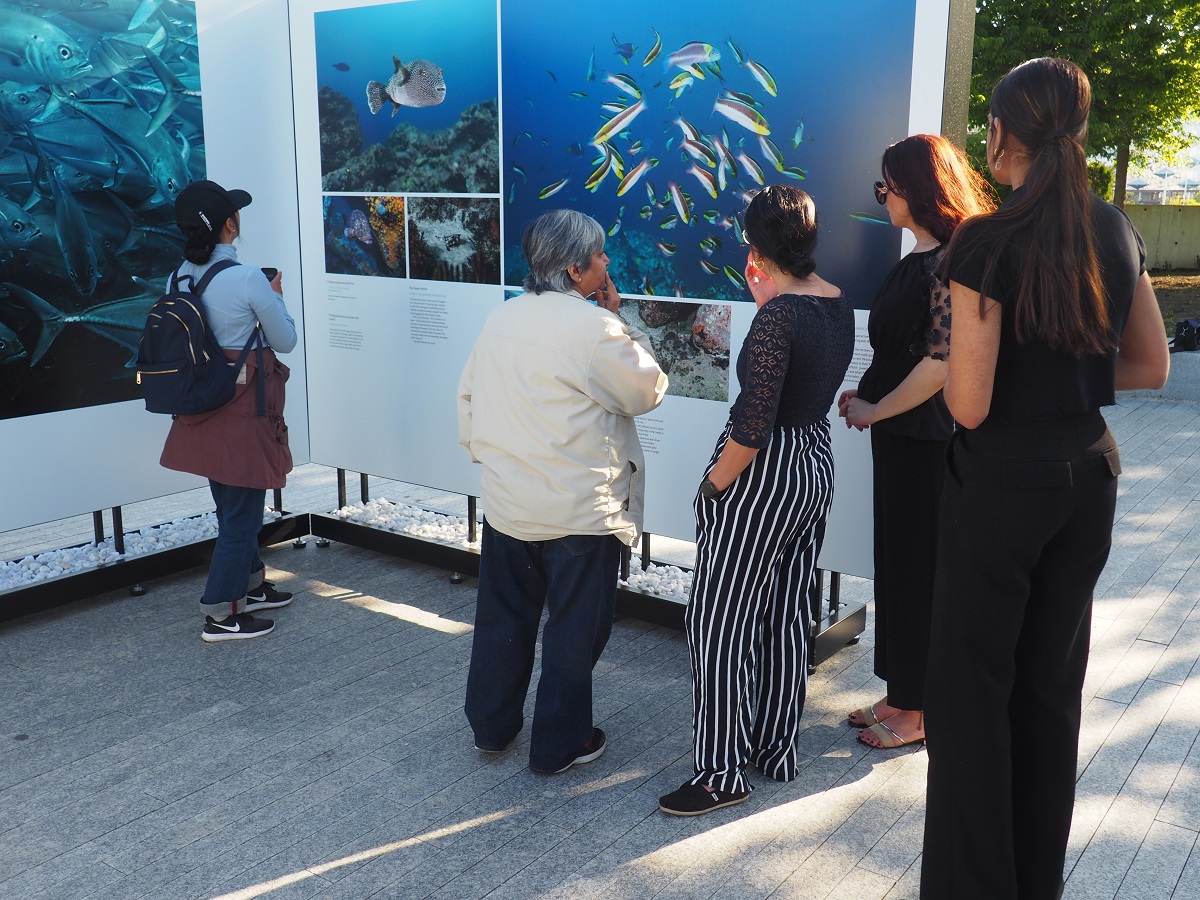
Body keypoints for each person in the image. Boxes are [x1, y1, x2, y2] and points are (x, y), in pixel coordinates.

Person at [920, 59, 1170, 899]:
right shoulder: (1115, 228)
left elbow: (971, 405)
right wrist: (1072, 380)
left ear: (1000, 134)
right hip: (1088, 473)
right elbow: (1151, 367)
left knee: (968, 696)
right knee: (1049, 692)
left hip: (1000, 486)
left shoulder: (983, 241)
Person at [659, 185, 854, 816]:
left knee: (719, 620)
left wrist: (713, 483)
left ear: (756, 247)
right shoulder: (835, 303)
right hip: (813, 463)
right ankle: (775, 748)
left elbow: (752, 426)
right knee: (788, 611)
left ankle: (720, 772)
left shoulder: (779, 316)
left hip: (763, 474)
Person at [457, 209, 668, 775]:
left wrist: (495, 462)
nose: (606, 263)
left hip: (508, 506)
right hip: (579, 512)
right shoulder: (595, 330)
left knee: (504, 622)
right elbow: (645, 391)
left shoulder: (501, 319)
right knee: (574, 631)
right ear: (576, 270)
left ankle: (491, 729)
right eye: (599, 256)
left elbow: (469, 401)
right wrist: (625, 326)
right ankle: (560, 743)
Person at [837, 135, 994, 749]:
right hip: (900, 433)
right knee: (897, 564)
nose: (882, 198)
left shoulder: (950, 260)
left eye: (888, 187)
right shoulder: (922, 257)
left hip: (924, 438)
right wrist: (869, 402)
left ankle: (920, 710)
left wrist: (876, 409)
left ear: (918, 190)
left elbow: (939, 366)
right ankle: (903, 691)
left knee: (917, 567)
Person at [159, 180, 298, 643]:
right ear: (229, 225)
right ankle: (222, 612)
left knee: (230, 501)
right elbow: (286, 341)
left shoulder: (177, 276)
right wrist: (274, 294)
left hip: (200, 406)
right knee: (242, 516)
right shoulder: (247, 278)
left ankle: (251, 586)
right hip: (242, 409)